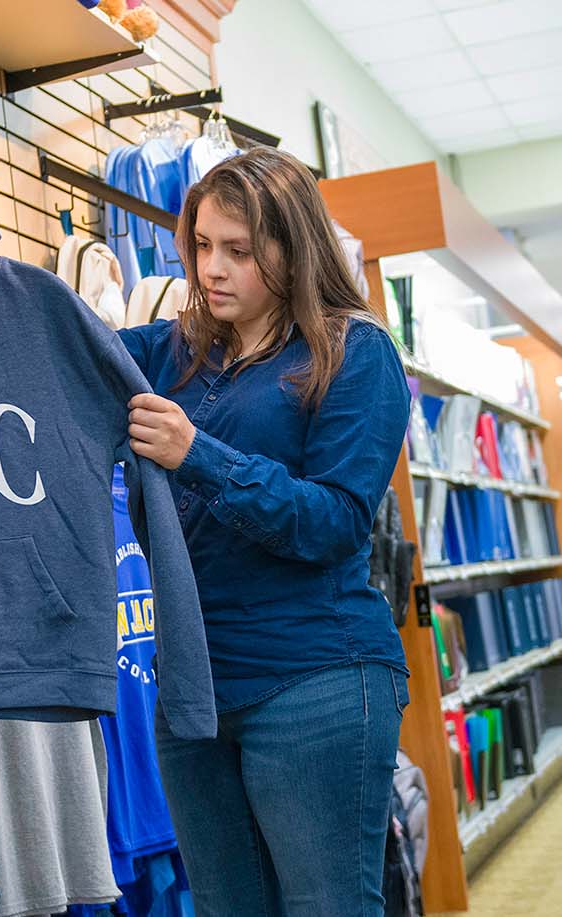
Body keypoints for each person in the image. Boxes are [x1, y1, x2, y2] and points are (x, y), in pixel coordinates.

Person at [116, 147, 412, 916]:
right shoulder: (173, 349)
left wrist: (198, 455)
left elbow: (337, 520)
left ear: (292, 247)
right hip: (195, 693)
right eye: (203, 246)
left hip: (315, 679)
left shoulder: (354, 351)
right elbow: (60, 344)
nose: (213, 268)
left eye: (239, 251)